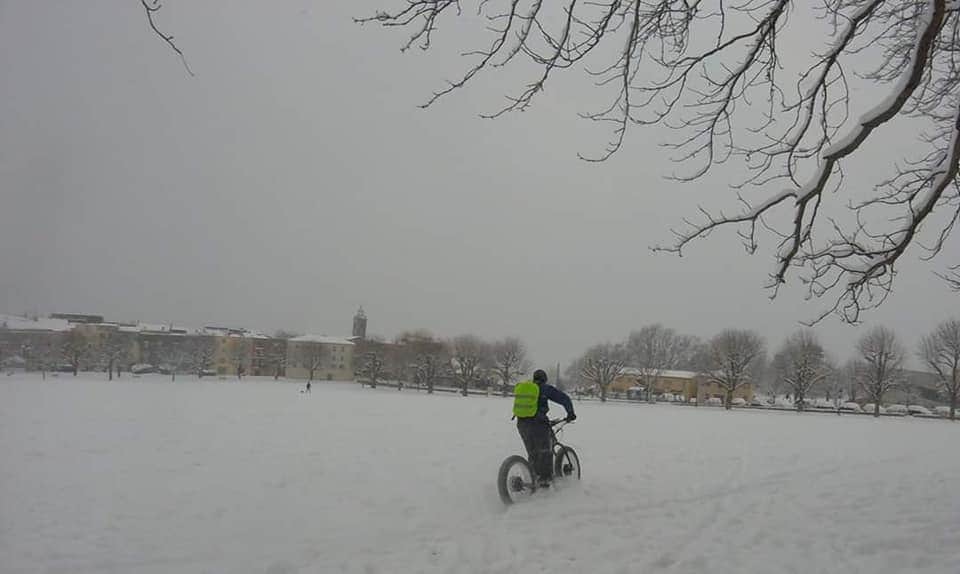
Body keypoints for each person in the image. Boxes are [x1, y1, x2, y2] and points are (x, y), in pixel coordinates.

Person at [513, 369, 576, 487]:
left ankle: (533, 475)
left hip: (521, 423)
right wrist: (570, 413)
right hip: (538, 423)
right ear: (544, 379)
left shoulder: (527, 389)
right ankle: (545, 480)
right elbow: (564, 399)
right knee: (545, 451)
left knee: (532, 452)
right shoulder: (544, 388)